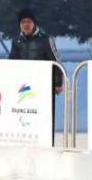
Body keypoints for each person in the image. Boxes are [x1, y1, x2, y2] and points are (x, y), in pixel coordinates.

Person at [8, 9, 63, 144]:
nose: (26, 25)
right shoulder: (16, 41)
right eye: (23, 22)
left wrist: (58, 83)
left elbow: (56, 61)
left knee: (45, 116)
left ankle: (48, 143)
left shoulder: (45, 39)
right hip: (24, 87)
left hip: (44, 85)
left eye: (29, 22)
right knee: (24, 113)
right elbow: (11, 62)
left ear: (34, 23)